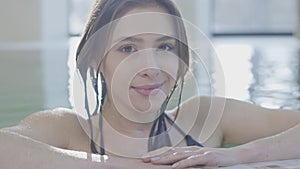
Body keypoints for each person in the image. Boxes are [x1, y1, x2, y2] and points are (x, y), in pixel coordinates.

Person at [1, 0, 300, 168]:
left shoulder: (207, 120)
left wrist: (237, 155)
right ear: (96, 59)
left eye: (165, 47)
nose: (151, 68)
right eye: (128, 48)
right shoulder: (68, 130)